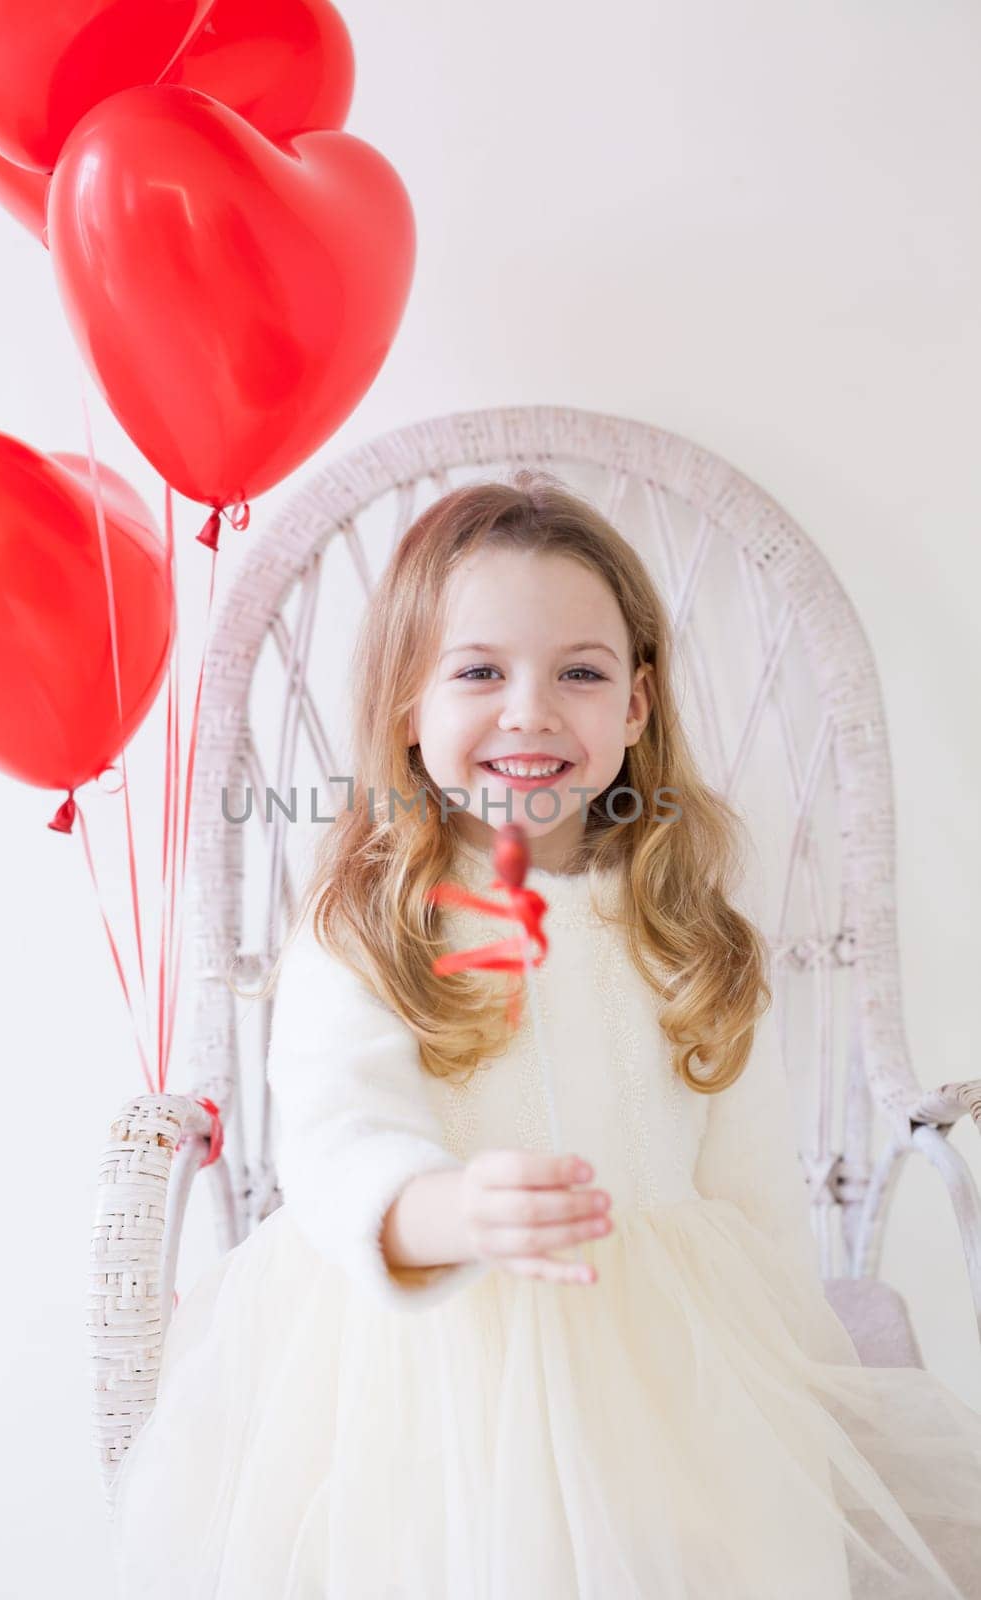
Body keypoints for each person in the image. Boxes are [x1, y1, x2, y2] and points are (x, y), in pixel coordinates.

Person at [110, 470, 981, 1598]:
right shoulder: (368, 929)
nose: (529, 710)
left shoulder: (686, 931)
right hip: (433, 1374)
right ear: (405, 709)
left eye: (579, 671)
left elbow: (754, 1193)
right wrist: (444, 1208)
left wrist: (792, 1392)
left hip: (672, 1366)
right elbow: (335, 1140)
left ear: (634, 706)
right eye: (478, 671)